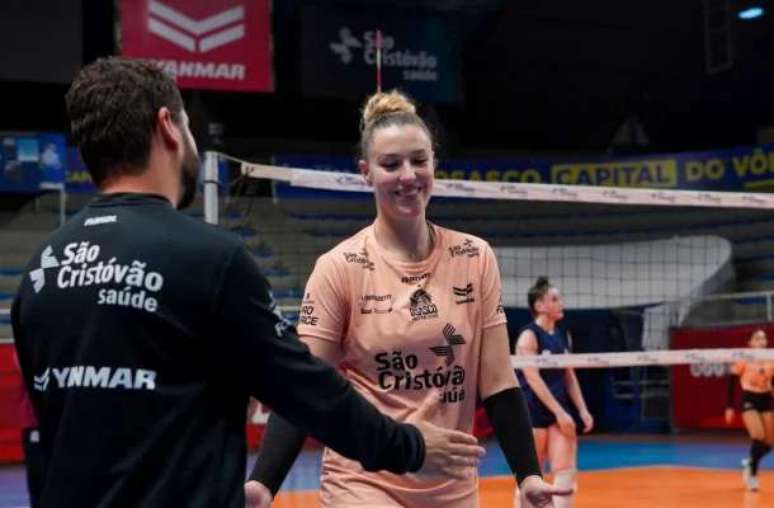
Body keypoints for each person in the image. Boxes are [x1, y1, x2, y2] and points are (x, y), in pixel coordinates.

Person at [11, 57, 486, 508]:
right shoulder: (210, 260)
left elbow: (47, 430)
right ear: (167, 127)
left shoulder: (41, 271)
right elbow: (306, 390)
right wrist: (410, 447)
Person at [245, 90, 570, 508]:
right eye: (391, 164)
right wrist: (263, 485)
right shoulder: (340, 267)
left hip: (451, 485)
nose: (407, 175)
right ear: (365, 172)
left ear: (434, 161)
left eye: (419, 160)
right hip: (364, 482)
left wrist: (527, 476)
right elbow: (305, 387)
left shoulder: (475, 257)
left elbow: (498, 383)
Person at [515, 277, 593, 508]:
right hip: (533, 412)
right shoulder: (528, 336)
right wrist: (560, 412)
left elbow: (569, 375)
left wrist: (582, 409)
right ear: (540, 306)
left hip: (559, 411)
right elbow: (532, 378)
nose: (561, 303)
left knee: (566, 472)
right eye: (555, 299)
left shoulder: (562, 335)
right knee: (531, 477)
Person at [725, 328, 774, 491]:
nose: (761, 341)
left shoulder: (771, 359)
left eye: (764, 338)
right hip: (749, 399)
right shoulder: (743, 357)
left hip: (766, 400)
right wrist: (729, 406)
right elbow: (732, 380)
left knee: (769, 443)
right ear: (750, 343)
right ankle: (752, 476)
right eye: (757, 338)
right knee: (758, 436)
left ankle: (749, 462)